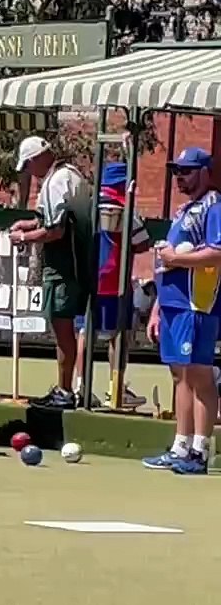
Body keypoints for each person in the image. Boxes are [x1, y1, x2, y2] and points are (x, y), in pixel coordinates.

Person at [142, 147, 221, 476]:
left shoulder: (214, 206)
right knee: (179, 375)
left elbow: (217, 252)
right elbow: (167, 264)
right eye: (176, 171)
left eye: (186, 171)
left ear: (204, 172)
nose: (179, 177)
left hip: (196, 304)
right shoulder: (185, 210)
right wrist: (157, 308)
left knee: (199, 375)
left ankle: (200, 451)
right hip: (173, 304)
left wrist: (176, 258)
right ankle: (181, 445)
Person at [9, 135, 93, 410]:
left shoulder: (57, 181)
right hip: (69, 265)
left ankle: (65, 391)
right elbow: (54, 220)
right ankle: (67, 387)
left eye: (28, 164)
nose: (29, 171)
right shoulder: (68, 175)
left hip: (64, 267)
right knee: (65, 329)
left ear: (38, 158)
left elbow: (56, 230)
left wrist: (24, 237)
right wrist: (29, 224)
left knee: (63, 329)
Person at [76, 161, 151, 408]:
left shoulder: (87, 206)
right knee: (119, 335)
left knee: (84, 332)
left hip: (87, 279)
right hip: (115, 282)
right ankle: (115, 389)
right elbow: (143, 242)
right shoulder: (125, 207)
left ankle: (81, 387)